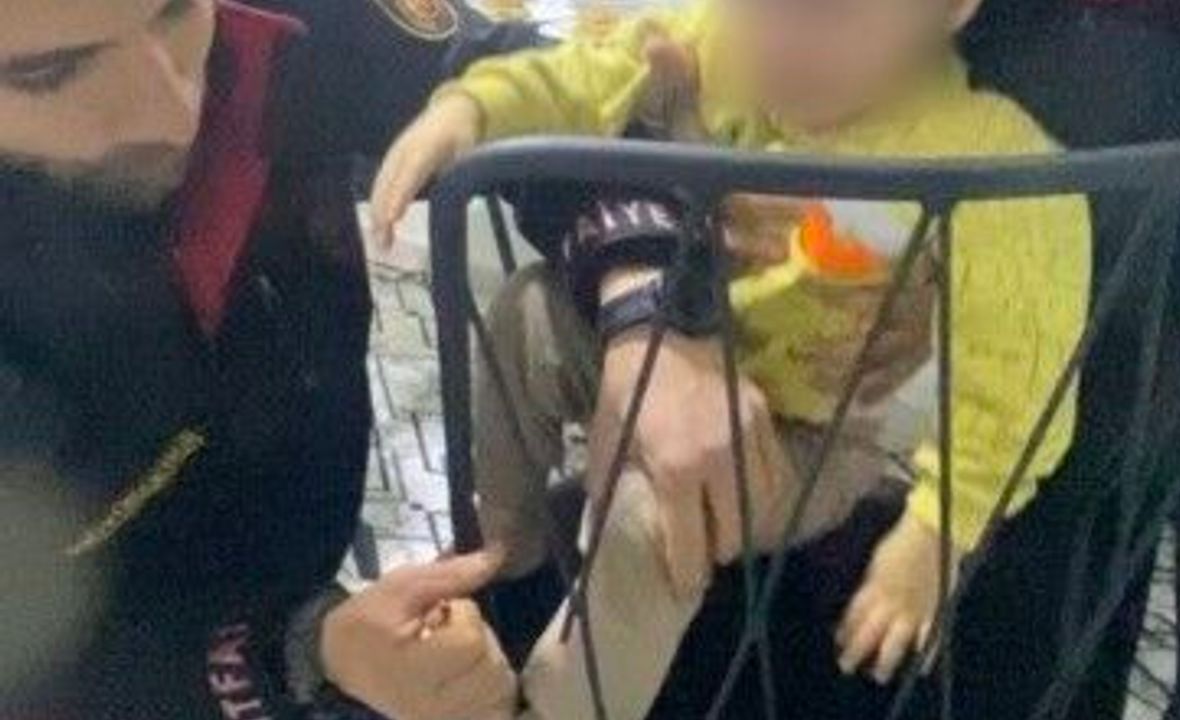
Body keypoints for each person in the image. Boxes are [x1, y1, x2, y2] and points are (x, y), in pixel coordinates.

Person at [370, 0, 1092, 716]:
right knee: (525, 310)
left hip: (813, 436)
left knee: (651, 521)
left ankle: (566, 708)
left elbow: (1022, 371)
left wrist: (938, 532)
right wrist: (473, 108)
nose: (782, 40)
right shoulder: (720, 44)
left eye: (834, 14)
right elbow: (587, 72)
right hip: (685, 339)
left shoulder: (989, 158)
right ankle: (505, 549)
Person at [0, 1, 542, 718]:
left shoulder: (268, 17)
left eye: (176, 11)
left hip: (304, 528)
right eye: (47, 72)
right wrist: (297, 654)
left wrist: (632, 271)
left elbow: (521, 75)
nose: (173, 113)